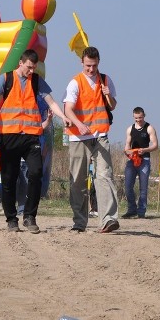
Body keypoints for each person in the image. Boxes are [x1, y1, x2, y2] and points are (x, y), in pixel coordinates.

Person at [0, 49, 70, 233]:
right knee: (9, 178)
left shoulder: (37, 81)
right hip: (9, 136)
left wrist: (63, 117)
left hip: (32, 136)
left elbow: (51, 102)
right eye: (28, 67)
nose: (31, 71)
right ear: (20, 63)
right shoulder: (6, 79)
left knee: (36, 172)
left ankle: (29, 216)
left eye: (33, 68)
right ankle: (11, 219)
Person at [63, 46, 120, 233]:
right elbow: (68, 109)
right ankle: (79, 222)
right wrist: (78, 124)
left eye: (94, 65)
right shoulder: (75, 83)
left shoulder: (106, 79)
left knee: (104, 176)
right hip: (78, 137)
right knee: (78, 181)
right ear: (82, 62)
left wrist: (107, 94)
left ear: (98, 63)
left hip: (101, 136)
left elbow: (112, 106)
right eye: (88, 65)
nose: (91, 69)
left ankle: (108, 219)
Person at [122, 107, 158, 218]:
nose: (138, 120)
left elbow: (155, 145)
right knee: (128, 186)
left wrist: (145, 150)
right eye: (136, 118)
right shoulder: (130, 129)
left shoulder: (149, 128)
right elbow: (127, 144)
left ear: (144, 116)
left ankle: (141, 211)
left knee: (143, 187)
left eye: (140, 118)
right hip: (132, 160)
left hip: (144, 160)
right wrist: (127, 151)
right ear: (133, 117)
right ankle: (131, 209)